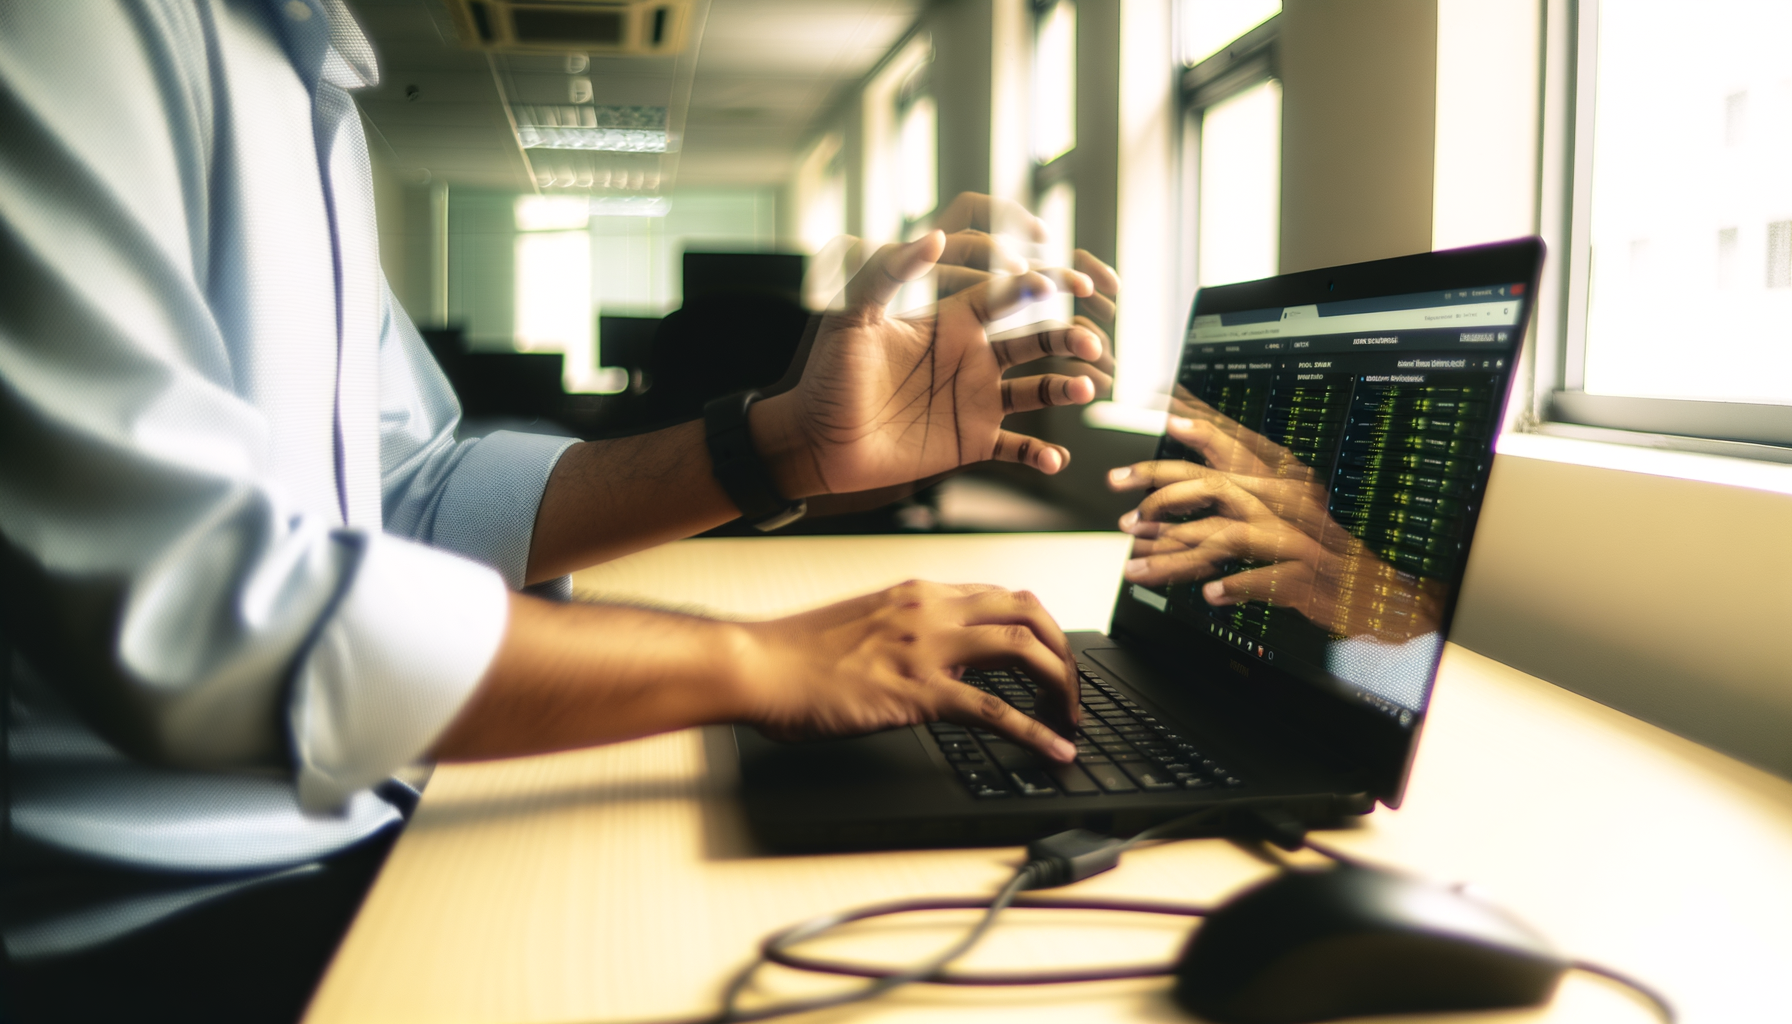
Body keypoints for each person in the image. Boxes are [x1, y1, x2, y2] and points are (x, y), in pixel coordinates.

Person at [0, 2, 1117, 1021]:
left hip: (358, 819)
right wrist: (759, 663)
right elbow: (193, 610)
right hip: (153, 929)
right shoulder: (76, 30)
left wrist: (779, 447)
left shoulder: (308, 78)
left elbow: (409, 492)